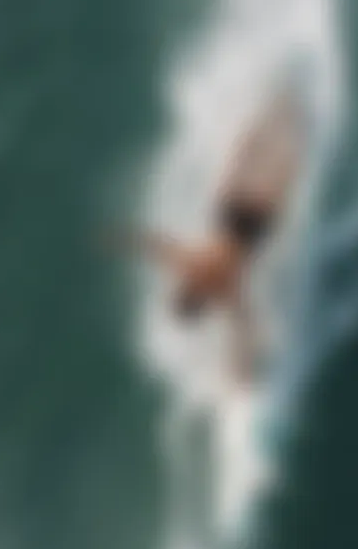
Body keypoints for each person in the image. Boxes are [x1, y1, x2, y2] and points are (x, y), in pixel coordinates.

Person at [108, 91, 303, 382]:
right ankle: (278, 112)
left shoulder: (221, 289)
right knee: (249, 159)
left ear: (202, 305)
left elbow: (242, 323)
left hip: (252, 227)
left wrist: (242, 365)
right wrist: (122, 239)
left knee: (273, 170)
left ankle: (285, 120)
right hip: (232, 215)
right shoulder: (190, 268)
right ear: (186, 292)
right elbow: (156, 246)